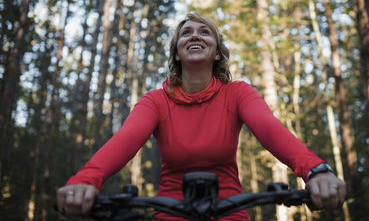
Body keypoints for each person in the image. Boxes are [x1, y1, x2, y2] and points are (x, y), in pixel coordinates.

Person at [57, 12, 346, 220]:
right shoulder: (155, 101)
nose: (195, 34)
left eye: (204, 32)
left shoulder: (238, 94)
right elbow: (126, 140)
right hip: (170, 210)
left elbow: (270, 130)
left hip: (230, 209)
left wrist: (315, 171)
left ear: (217, 53)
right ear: (178, 54)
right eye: (186, 32)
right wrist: (85, 181)